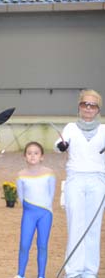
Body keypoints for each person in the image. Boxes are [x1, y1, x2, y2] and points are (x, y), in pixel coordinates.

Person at [55, 89, 105, 278]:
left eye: (92, 105)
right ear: (79, 107)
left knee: (93, 226)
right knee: (75, 224)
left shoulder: (103, 130)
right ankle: (74, 271)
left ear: (98, 109)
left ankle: (90, 271)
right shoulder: (70, 128)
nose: (88, 108)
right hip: (75, 179)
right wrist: (61, 146)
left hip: (98, 180)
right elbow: (59, 144)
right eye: (85, 104)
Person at [13, 141, 56, 278]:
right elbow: (21, 196)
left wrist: (45, 209)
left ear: (42, 156)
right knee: (24, 244)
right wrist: (29, 207)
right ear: (25, 156)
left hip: (45, 214)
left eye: (36, 153)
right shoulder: (21, 175)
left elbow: (51, 195)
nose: (32, 156)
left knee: (42, 245)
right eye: (29, 153)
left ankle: (41, 275)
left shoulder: (49, 173)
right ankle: (20, 274)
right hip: (29, 214)